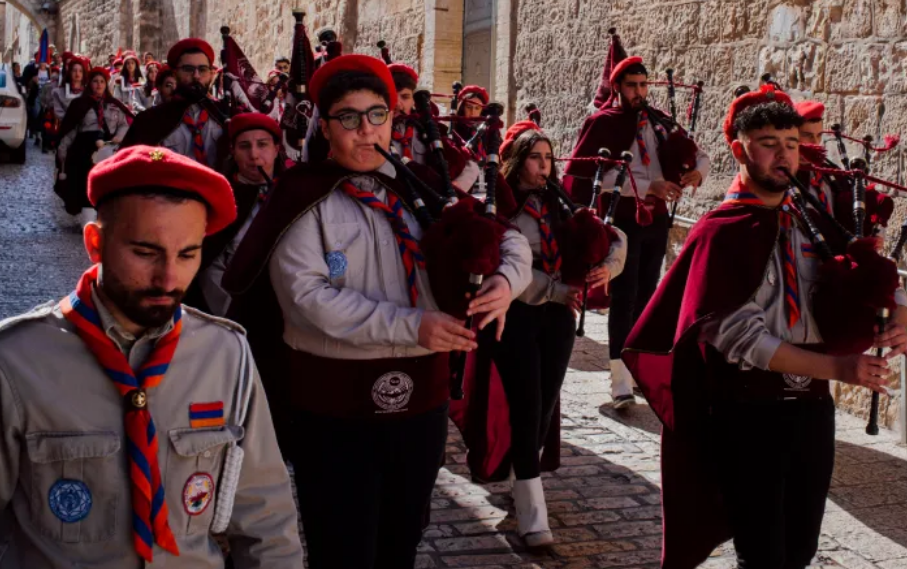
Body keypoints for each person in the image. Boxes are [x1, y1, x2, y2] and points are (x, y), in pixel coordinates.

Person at [222, 54, 533, 569]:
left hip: (419, 407)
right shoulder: (302, 198)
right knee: (342, 545)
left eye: (377, 115)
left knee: (401, 541)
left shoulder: (421, 187)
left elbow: (509, 241)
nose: (365, 130)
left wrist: (505, 282)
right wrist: (414, 324)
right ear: (325, 126)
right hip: (334, 411)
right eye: (349, 118)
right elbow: (308, 301)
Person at [623, 88, 907, 569]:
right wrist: (840, 366)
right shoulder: (723, 230)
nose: (784, 155)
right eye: (768, 143)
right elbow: (742, 338)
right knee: (762, 554)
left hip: (812, 411)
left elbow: (874, 276)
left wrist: (897, 316)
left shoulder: (813, 221)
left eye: (792, 143)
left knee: (800, 551)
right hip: (746, 413)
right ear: (740, 150)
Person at [0, 145, 305, 568]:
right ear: (96, 243)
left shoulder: (225, 355)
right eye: (145, 253)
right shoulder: (12, 362)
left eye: (188, 254)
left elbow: (266, 519)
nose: (169, 278)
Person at [494, 121, 626, 546]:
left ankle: (521, 476)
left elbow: (613, 238)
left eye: (549, 158)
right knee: (527, 400)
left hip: (559, 317)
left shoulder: (561, 202)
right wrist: (554, 288)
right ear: (517, 161)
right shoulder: (504, 207)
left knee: (547, 400)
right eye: (536, 157)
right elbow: (502, 268)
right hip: (517, 314)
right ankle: (533, 514)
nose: (544, 166)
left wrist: (610, 265)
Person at [563, 55, 709, 407]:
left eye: (644, 85)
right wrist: (648, 187)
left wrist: (696, 174)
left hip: (656, 220)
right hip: (622, 220)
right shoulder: (603, 123)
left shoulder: (660, 122)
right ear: (618, 88)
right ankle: (619, 380)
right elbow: (593, 176)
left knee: (648, 294)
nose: (639, 92)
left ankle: (640, 366)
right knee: (625, 296)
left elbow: (700, 155)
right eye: (632, 85)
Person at [190, 113, 288, 316]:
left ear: (276, 149)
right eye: (244, 146)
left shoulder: (295, 193)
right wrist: (235, 312)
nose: (254, 155)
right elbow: (209, 267)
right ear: (233, 152)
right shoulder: (220, 200)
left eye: (262, 145)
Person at [121, 39, 230, 171]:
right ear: (175, 73)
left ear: (210, 74)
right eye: (188, 69)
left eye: (202, 69)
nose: (196, 76)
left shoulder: (224, 116)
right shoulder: (150, 120)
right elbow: (128, 169)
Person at [388, 57, 480, 193]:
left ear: (414, 100)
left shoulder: (428, 127)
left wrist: (454, 189)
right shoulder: (374, 130)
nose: (397, 104)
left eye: (405, 97)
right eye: (392, 96)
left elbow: (470, 165)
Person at [55, 68, 132, 217]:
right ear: (89, 84)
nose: (99, 85)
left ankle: (106, 213)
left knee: (107, 183)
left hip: (108, 149)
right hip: (84, 151)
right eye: (95, 81)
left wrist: (119, 137)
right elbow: (71, 129)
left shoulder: (114, 104)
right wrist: (62, 150)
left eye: (102, 81)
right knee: (86, 183)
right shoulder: (79, 104)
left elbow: (124, 124)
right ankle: (87, 216)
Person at [53, 55, 88, 121]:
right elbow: (59, 112)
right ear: (70, 72)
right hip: (67, 126)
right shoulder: (59, 92)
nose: (77, 73)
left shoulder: (88, 92)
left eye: (80, 71)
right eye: (74, 70)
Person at [38, 66, 61, 153]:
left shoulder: (48, 85)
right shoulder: (58, 86)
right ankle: (51, 145)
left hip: (49, 109)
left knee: (48, 128)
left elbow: (41, 98)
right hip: (52, 110)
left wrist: (44, 106)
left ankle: (47, 145)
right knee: (52, 128)